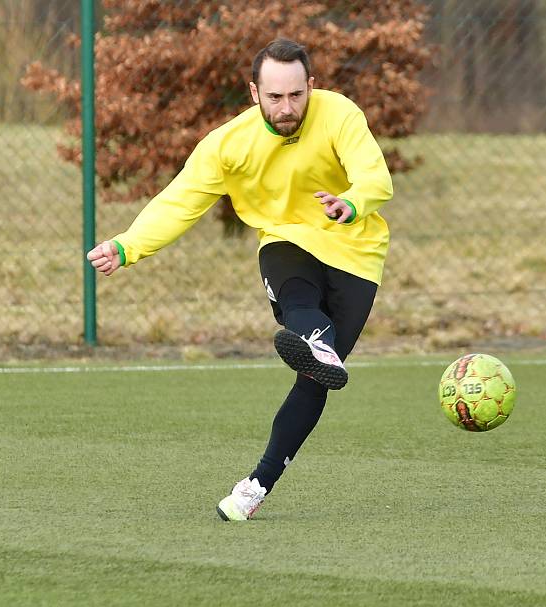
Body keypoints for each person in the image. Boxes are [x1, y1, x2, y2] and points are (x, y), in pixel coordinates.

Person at [87, 38, 393, 521]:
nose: (287, 107)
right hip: (286, 241)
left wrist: (350, 203)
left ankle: (258, 483)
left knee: (315, 381)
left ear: (311, 86)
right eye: (275, 97)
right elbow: (180, 201)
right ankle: (316, 342)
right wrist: (128, 246)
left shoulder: (338, 113)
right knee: (295, 292)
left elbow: (375, 177)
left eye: (296, 95)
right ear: (254, 93)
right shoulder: (228, 145)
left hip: (355, 251)